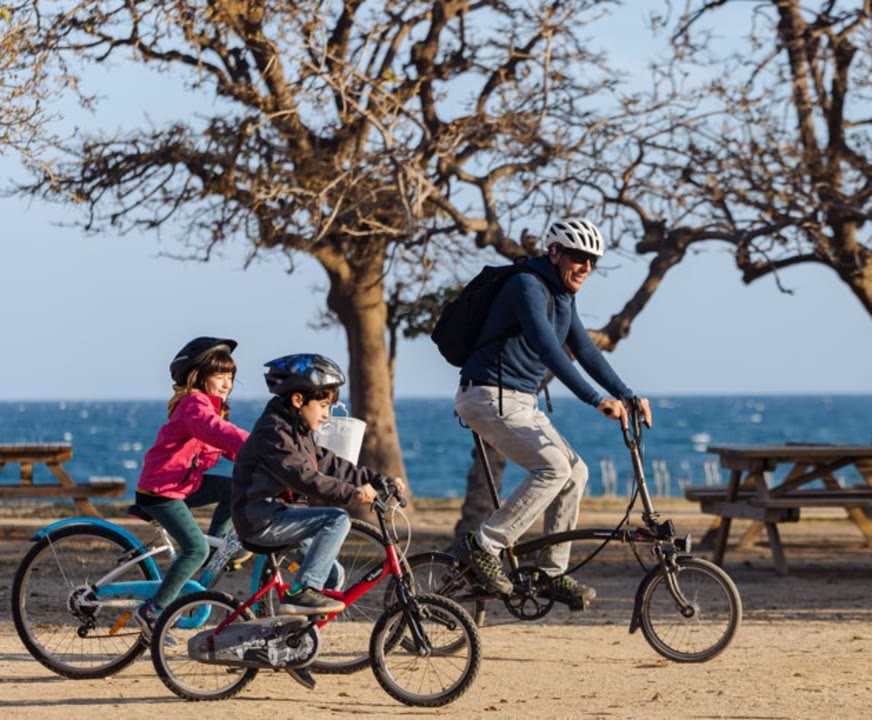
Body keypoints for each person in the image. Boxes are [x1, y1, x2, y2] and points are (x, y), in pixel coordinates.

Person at [454, 218, 652, 609]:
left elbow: (587, 350)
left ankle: (549, 573)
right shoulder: (526, 286)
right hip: (487, 395)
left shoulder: (563, 296)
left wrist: (627, 395)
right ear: (555, 253)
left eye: (592, 261)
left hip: (519, 401)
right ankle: (484, 545)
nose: (585, 267)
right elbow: (549, 350)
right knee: (553, 469)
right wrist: (596, 400)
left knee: (575, 472)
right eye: (578, 257)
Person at [231, 353, 406, 618]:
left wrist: (376, 480)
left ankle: (293, 643)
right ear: (298, 400)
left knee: (334, 576)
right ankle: (302, 592)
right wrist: (352, 494)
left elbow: (330, 463)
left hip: (281, 515)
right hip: (261, 520)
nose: (326, 415)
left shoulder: (298, 431)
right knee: (337, 519)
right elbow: (303, 478)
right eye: (323, 406)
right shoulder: (274, 432)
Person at [134, 336, 250, 637]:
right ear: (198, 377)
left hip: (185, 485)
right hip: (161, 491)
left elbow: (228, 446)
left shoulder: (215, 409)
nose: (226, 384)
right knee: (194, 549)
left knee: (236, 488)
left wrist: (265, 460)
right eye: (219, 376)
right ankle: (153, 611)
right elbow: (217, 432)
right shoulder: (194, 405)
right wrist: (257, 444)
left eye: (230, 377)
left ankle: (219, 551)